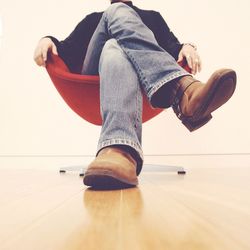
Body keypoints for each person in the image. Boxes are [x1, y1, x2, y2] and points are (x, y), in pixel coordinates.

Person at [33, 0, 237, 189]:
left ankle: (119, 151)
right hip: (94, 79)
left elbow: (174, 49)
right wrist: (47, 40)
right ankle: (181, 89)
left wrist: (188, 47)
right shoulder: (94, 19)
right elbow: (66, 50)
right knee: (116, 12)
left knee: (114, 47)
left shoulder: (153, 17)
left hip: (143, 83)